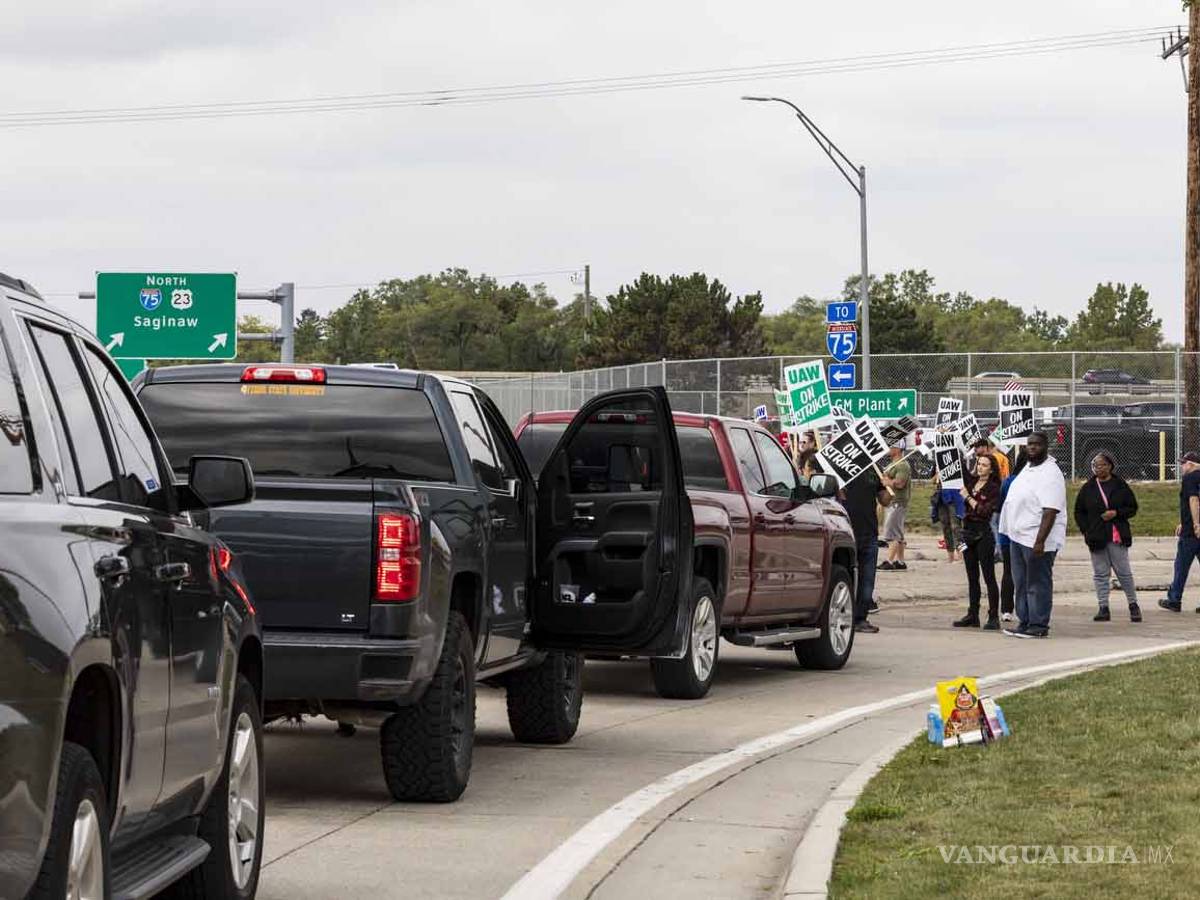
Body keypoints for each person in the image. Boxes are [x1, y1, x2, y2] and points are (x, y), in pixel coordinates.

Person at [997, 432, 1066, 639]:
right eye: (1029, 445)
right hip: (1018, 536)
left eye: (1036, 444)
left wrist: (1040, 541)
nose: (1032, 448)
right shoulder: (1028, 467)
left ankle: (1038, 625)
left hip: (1036, 539)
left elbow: (1050, 510)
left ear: (1045, 447)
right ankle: (1025, 621)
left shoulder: (1051, 473)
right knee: (1021, 582)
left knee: (1037, 583)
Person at [1074, 452, 1141, 622]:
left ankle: (1133, 605)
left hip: (1117, 535)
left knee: (1123, 572)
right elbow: (1079, 512)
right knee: (1100, 573)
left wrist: (1116, 513)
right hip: (1096, 536)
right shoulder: (1088, 488)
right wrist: (1086, 531)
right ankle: (1103, 607)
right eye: (1096, 465)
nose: (1099, 468)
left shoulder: (1120, 486)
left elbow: (1132, 507)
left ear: (1110, 466)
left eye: (1102, 465)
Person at [840, 468, 893, 633]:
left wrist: (888, 488)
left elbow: (885, 501)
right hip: (846, 531)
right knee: (846, 577)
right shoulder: (841, 467)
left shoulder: (873, 469)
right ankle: (843, 616)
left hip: (869, 532)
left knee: (867, 580)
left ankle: (861, 618)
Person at [954, 454, 1002, 630]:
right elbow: (958, 464)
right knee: (971, 576)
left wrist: (968, 498)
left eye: (984, 465)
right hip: (967, 532)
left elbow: (984, 511)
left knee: (989, 576)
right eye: (979, 463)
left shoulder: (994, 488)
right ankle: (972, 614)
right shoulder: (972, 481)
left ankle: (993, 615)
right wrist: (949, 440)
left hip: (983, 534)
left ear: (991, 468)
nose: (980, 467)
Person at [1158, 451, 1200, 613]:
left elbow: (1193, 499)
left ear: (1190, 464)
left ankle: (1174, 599)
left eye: (1183, 463)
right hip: (1190, 525)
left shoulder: (1190, 478)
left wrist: (1195, 524)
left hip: (1191, 533)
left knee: (1181, 566)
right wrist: (1184, 522)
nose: (1181, 466)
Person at [995, 449, 1027, 625]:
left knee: (1010, 572)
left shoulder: (1008, 482)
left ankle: (1007, 609)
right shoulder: (1012, 482)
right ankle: (1017, 608)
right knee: (1019, 573)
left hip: (1010, 533)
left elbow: (999, 508)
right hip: (1016, 534)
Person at [878, 446, 911, 571]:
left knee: (893, 533)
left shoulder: (902, 465)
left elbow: (900, 483)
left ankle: (889, 561)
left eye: (889, 447)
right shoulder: (893, 464)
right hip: (893, 502)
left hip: (897, 502)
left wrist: (888, 482)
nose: (887, 449)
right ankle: (900, 561)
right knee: (899, 533)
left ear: (897, 449)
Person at [931, 471, 965, 563]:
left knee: (956, 527)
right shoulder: (938, 462)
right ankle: (950, 556)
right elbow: (933, 480)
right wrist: (937, 475)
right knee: (945, 526)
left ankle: (961, 555)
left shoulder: (957, 460)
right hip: (941, 497)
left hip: (955, 496)